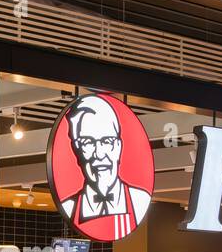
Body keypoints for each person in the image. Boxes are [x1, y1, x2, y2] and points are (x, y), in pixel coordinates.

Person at [56, 95, 152, 240]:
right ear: (76, 149)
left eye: (107, 141)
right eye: (88, 142)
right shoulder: (69, 207)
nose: (99, 154)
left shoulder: (139, 200)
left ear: (119, 146)